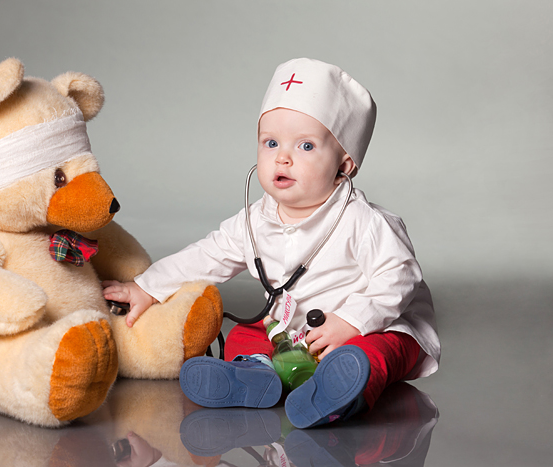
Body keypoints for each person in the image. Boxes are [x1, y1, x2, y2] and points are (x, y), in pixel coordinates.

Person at [103, 58, 440, 428]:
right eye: (271, 142)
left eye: (306, 145)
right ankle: (255, 375)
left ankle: (340, 395)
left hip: (371, 326)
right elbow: (204, 256)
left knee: (378, 350)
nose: (283, 157)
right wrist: (147, 286)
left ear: (344, 166)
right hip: (294, 333)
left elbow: (400, 277)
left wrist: (351, 321)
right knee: (248, 332)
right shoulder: (253, 222)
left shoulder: (365, 222)